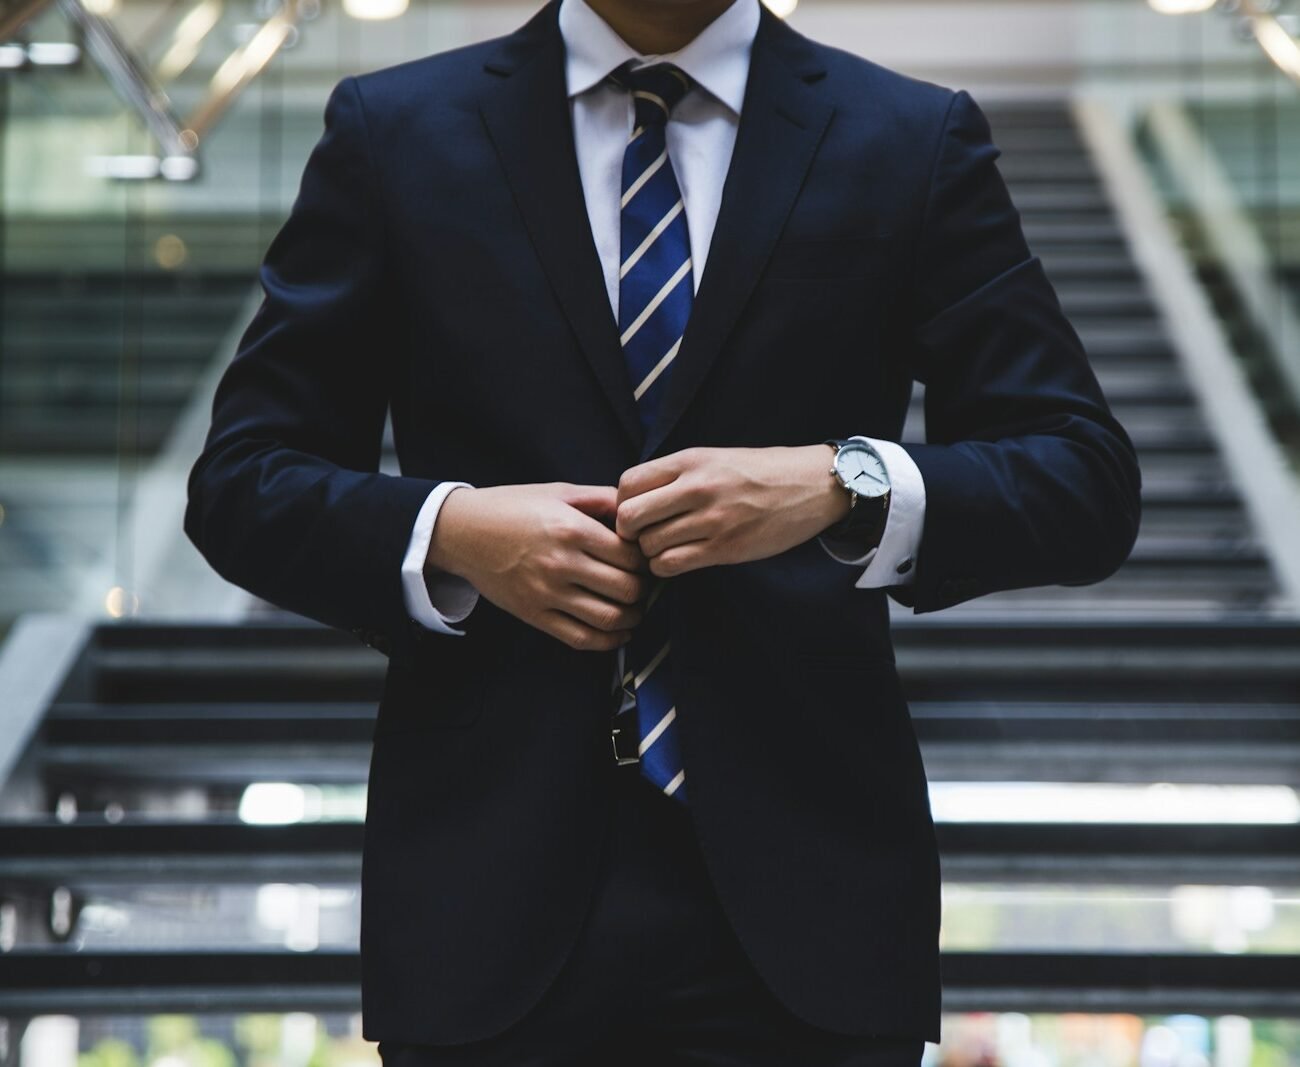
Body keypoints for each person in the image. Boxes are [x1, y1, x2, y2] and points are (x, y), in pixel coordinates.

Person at [183, 0, 1142, 1062]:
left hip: (810, 906)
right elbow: (242, 481)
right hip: (484, 894)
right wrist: (451, 529)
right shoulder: (395, 128)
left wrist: (842, 481)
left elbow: (1080, 476)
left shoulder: (908, 136)